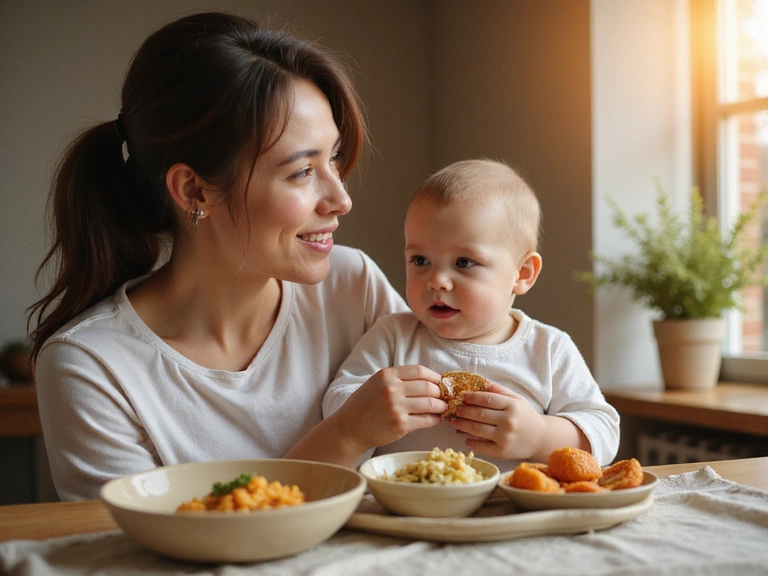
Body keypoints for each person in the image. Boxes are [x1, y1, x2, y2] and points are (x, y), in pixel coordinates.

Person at [28, 12, 447, 501]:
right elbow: (132, 555)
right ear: (193, 190)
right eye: (301, 172)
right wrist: (344, 436)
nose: (341, 199)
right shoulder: (91, 365)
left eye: (332, 158)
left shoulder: (352, 287)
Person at [323, 159, 620, 471]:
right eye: (420, 260)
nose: (436, 280)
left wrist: (539, 436)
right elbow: (335, 404)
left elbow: (602, 431)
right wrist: (373, 407)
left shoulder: (548, 349)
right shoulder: (393, 336)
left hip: (513, 510)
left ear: (522, 273)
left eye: (464, 262)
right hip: (409, 508)